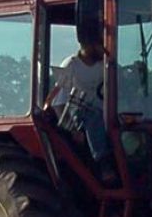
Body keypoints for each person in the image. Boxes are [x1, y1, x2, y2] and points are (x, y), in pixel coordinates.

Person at [47, 32, 116, 184]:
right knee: (93, 115)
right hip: (77, 113)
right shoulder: (71, 65)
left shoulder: (103, 65)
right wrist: (73, 130)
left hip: (104, 111)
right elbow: (58, 103)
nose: (105, 48)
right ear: (89, 45)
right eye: (101, 44)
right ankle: (103, 163)